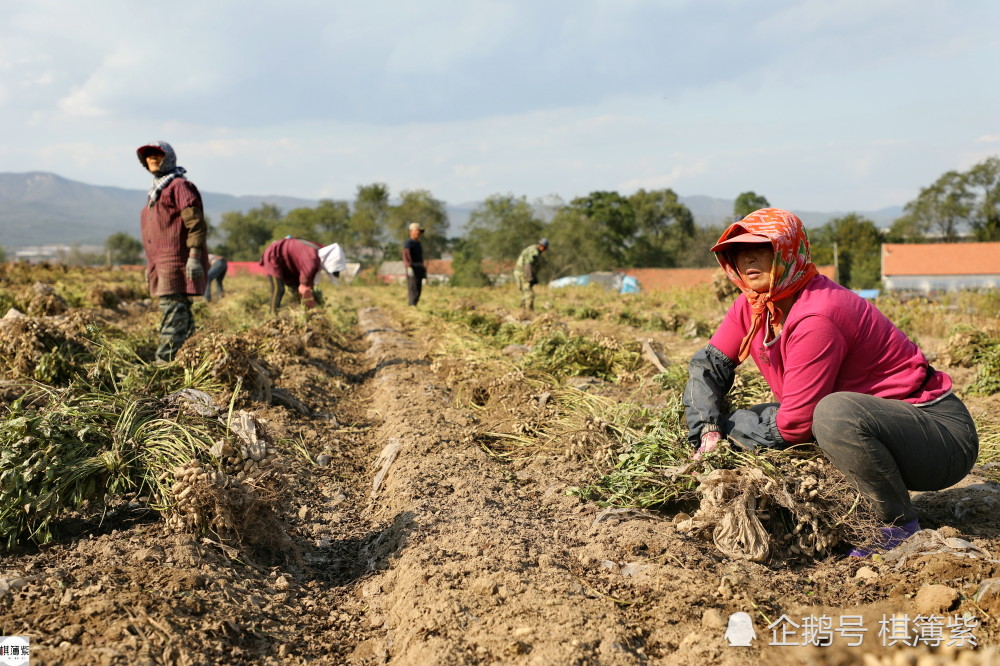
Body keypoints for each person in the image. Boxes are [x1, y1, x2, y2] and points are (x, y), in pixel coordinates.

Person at [682, 208, 978, 557]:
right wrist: (709, 431)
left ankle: (896, 525)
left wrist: (734, 428)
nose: (747, 257)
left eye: (761, 248)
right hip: (881, 425)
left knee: (831, 414)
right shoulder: (756, 306)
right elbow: (708, 366)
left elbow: (794, 425)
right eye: (738, 251)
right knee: (723, 415)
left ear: (788, 252)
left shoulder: (817, 314)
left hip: (939, 437)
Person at [136, 141, 209, 362]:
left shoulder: (179, 186)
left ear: (169, 158)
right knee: (182, 313)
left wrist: (194, 257)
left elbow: (195, 223)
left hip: (176, 261)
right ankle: (190, 359)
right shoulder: (157, 190)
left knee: (173, 310)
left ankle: (163, 363)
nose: (153, 160)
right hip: (160, 262)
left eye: (158, 156)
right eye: (148, 157)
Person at [259, 237, 344, 314]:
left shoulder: (319, 253)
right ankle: (272, 314)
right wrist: (312, 303)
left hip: (287, 261)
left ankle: (299, 310)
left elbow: (306, 284)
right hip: (274, 255)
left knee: (295, 288)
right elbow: (303, 287)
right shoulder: (312, 259)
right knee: (279, 289)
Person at [513, 238, 549, 311]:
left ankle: (522, 311)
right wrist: (530, 278)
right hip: (522, 273)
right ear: (541, 246)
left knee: (525, 293)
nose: (544, 249)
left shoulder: (534, 249)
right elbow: (528, 264)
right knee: (529, 294)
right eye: (544, 247)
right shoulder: (534, 251)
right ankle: (528, 313)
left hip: (522, 273)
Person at [402, 222, 425, 306]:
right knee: (413, 289)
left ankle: (414, 304)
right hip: (413, 268)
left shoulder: (418, 243)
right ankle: (411, 306)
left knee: (418, 289)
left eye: (419, 231)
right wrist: (408, 267)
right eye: (416, 231)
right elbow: (405, 255)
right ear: (411, 231)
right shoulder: (409, 243)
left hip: (419, 268)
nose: (418, 233)